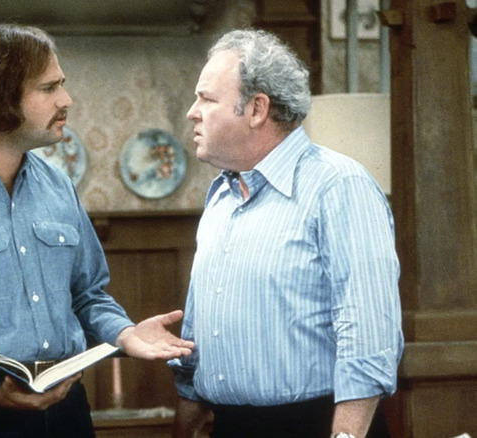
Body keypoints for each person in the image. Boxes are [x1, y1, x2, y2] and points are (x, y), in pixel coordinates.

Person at [0, 23, 194, 438]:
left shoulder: (57, 184)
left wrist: (126, 333)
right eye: (49, 89)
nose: (66, 100)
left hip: (68, 413)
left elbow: (87, 295)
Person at [168, 29, 404, 438]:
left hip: (318, 425)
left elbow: (368, 335)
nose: (192, 112)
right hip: (230, 425)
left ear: (257, 108)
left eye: (206, 98)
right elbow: (199, 332)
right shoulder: (222, 194)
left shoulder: (339, 185)